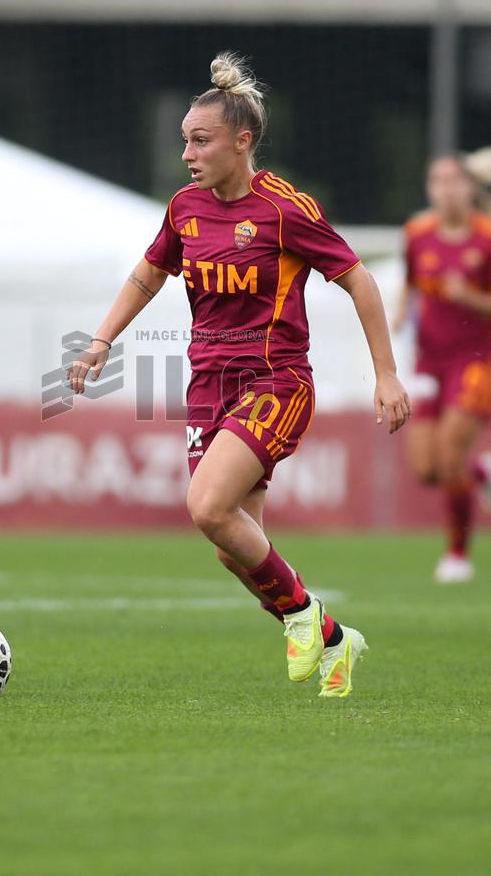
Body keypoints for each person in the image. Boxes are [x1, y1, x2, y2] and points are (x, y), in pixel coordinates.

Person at [69, 52, 410, 699]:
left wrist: (386, 375)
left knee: (206, 507)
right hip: (208, 386)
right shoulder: (185, 209)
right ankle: (334, 636)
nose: (188, 154)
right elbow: (149, 273)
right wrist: (101, 340)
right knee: (233, 544)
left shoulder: (284, 210)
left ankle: (303, 616)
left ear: (242, 141)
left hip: (275, 381)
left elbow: (358, 279)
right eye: (185, 142)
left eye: (201, 141)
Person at [395, 153, 491, 583]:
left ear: (471, 188)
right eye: (437, 181)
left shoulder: (487, 237)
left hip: (475, 359)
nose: (446, 189)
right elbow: (413, 282)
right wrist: (399, 312)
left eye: (454, 181)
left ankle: (457, 554)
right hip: (428, 357)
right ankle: (482, 471)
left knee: (451, 456)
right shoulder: (417, 233)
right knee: (427, 469)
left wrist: (469, 298)